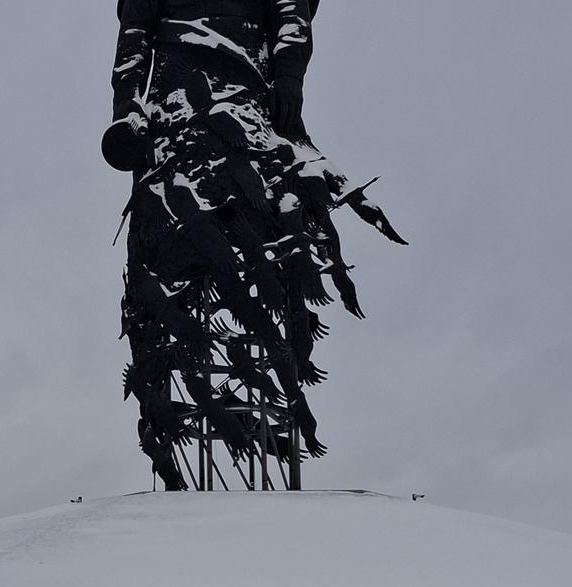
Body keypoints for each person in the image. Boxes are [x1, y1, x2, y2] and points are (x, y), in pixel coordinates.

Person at [107, 0, 402, 490]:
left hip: (246, 107)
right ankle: (193, 447)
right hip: (176, 111)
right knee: (175, 284)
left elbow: (292, 18)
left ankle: (266, 426)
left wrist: (288, 80)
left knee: (260, 259)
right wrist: (128, 109)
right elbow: (134, 37)